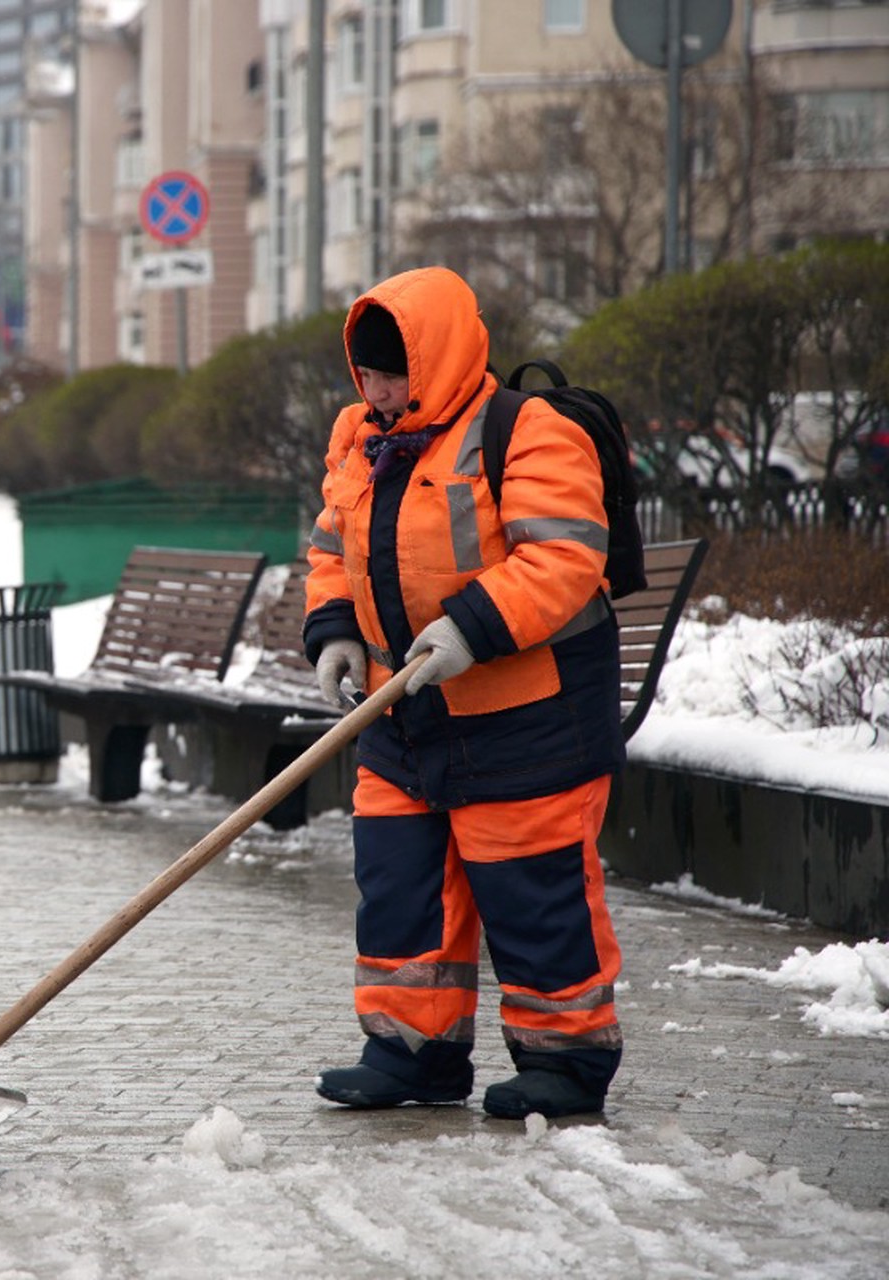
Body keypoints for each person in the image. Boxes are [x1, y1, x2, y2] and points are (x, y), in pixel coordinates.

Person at [302, 265, 625, 1120]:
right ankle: (411, 1051)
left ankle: (564, 1062)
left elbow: (563, 556)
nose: (376, 390)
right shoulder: (357, 435)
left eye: (392, 372)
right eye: (365, 374)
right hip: (403, 716)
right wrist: (333, 629)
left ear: (434, 358)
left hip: (528, 719)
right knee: (401, 887)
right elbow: (332, 544)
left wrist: (470, 626)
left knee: (533, 895)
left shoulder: (528, 433)